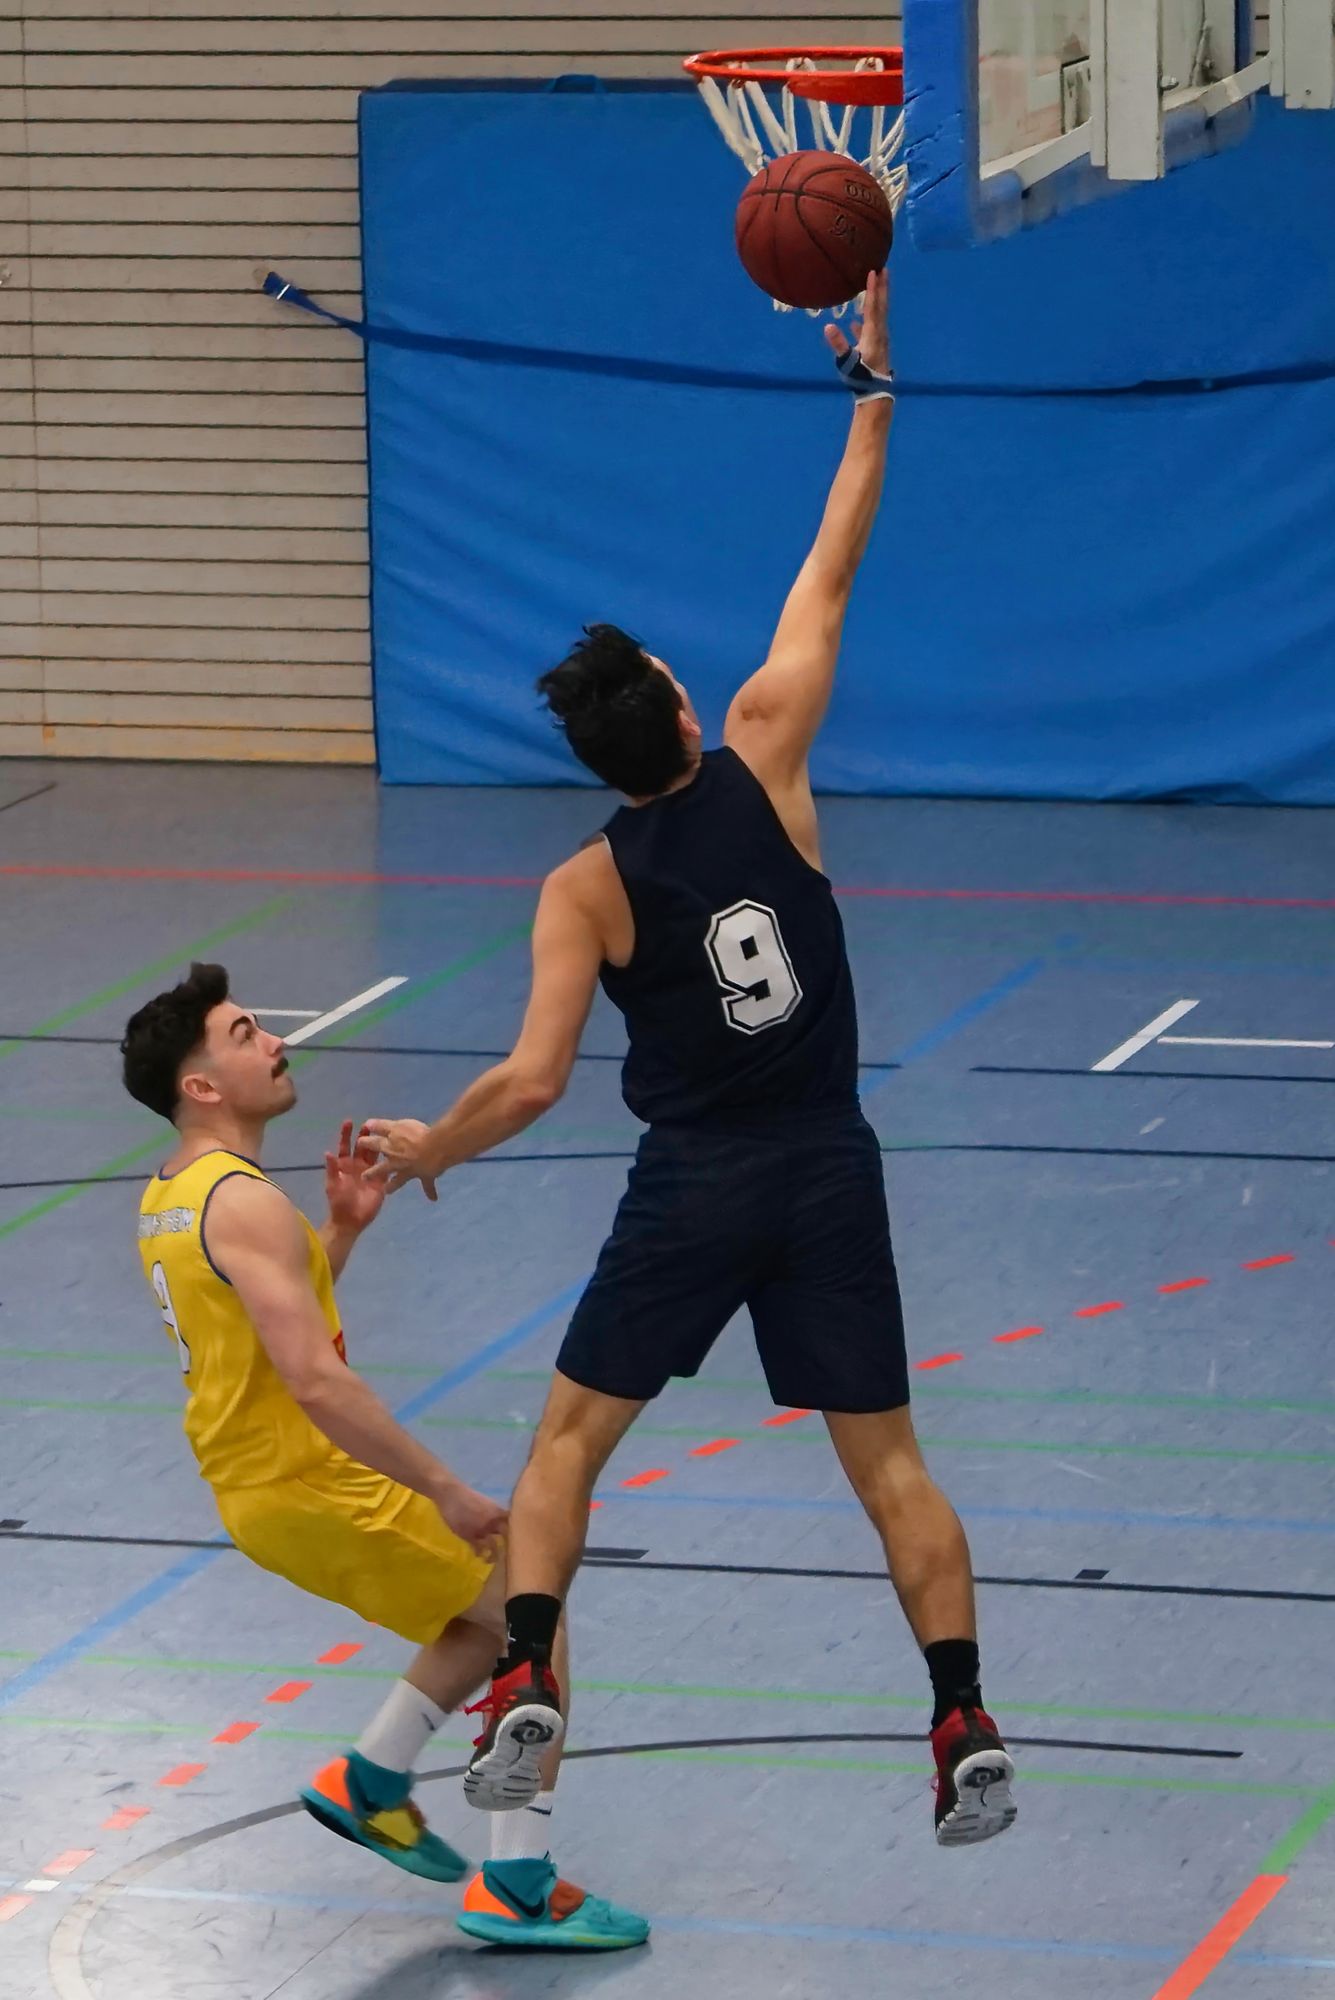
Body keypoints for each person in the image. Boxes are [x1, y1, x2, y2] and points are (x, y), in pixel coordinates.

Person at [364, 271, 1017, 1848]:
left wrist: (430, 1147)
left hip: (692, 1185)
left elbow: (530, 1082)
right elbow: (831, 565)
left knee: (565, 1445)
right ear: (675, 706)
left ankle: (524, 1671)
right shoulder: (765, 750)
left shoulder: (581, 887)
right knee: (891, 1468)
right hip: (825, 1166)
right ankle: (958, 1716)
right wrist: (869, 394)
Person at [121, 963, 647, 1950]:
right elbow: (316, 1382)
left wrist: (340, 1233)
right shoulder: (242, 1202)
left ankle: (369, 1779)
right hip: (309, 1481)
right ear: (200, 1084)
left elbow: (262, 1329)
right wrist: (443, 1487)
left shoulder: (174, 1193)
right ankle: (516, 1881)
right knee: (531, 1610)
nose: (274, 1041)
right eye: (244, 1035)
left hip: (259, 1484)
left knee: (477, 1625)